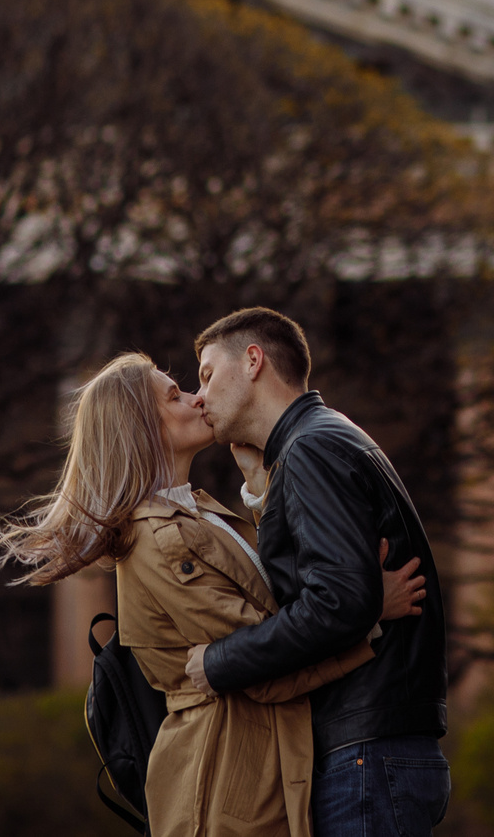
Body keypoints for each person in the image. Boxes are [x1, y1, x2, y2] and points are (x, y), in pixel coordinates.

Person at [0, 351, 426, 837]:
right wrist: (368, 612)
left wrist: (261, 485)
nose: (197, 399)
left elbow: (272, 598)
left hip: (251, 767)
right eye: (175, 396)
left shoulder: (194, 514)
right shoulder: (160, 539)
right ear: (143, 429)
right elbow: (265, 666)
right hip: (224, 785)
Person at [185, 308, 451, 837]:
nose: (199, 397)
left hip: (366, 754)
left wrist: (218, 661)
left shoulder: (311, 448)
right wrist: (262, 490)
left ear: (253, 361)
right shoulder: (320, 439)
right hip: (375, 749)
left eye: (208, 375)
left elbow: (338, 602)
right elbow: (326, 588)